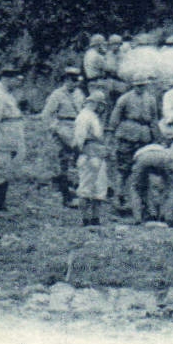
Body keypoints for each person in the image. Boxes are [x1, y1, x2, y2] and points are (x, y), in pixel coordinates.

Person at [108, 79, 158, 210]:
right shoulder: (125, 98)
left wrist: (157, 138)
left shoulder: (151, 99)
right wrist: (111, 133)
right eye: (138, 85)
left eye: (143, 85)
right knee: (123, 168)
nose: (140, 88)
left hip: (144, 136)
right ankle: (118, 197)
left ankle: (141, 201)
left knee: (142, 168)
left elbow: (154, 119)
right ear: (133, 85)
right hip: (127, 134)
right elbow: (115, 117)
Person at [41, 66, 86, 207]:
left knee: (78, 159)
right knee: (65, 160)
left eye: (76, 80)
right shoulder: (57, 95)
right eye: (71, 80)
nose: (74, 83)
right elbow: (46, 115)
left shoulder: (79, 94)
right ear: (66, 79)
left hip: (77, 126)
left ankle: (78, 191)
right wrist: (54, 128)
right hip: (63, 126)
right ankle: (67, 195)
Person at [0, 68, 27, 213]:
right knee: (0, 169)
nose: (18, 83)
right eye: (15, 79)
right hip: (2, 137)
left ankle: (1, 203)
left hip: (10, 136)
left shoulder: (7, 93)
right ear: (6, 79)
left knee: (5, 168)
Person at [72, 91, 110, 227]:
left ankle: (95, 218)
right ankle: (85, 218)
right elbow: (79, 139)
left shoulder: (93, 116)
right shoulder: (84, 116)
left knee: (99, 187)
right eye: (101, 105)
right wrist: (80, 153)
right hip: (88, 153)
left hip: (98, 153)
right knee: (86, 187)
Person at [126, 141, 173, 225]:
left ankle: (138, 218)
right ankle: (167, 217)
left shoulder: (140, 151)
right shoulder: (165, 149)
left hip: (144, 158)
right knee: (170, 188)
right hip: (164, 157)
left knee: (135, 188)